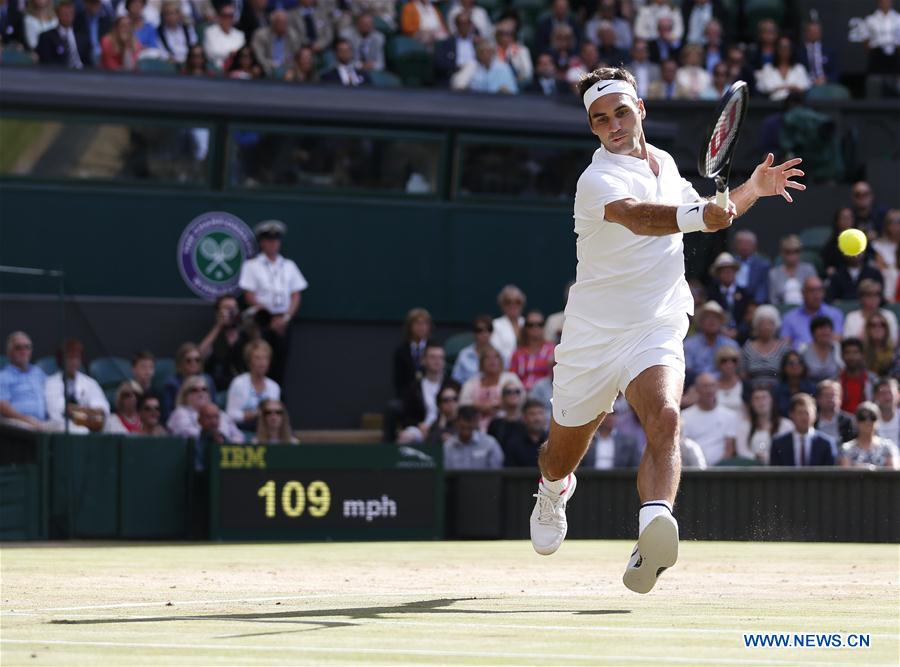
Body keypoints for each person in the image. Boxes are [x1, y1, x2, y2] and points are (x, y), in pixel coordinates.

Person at [530, 65, 804, 594]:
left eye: (621, 112)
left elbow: (707, 211)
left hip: (656, 322)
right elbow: (641, 218)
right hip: (593, 336)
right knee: (560, 455)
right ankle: (553, 488)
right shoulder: (596, 179)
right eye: (600, 118)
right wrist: (702, 216)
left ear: (640, 110)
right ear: (592, 126)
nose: (613, 125)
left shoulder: (667, 164)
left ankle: (653, 525)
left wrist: (751, 189)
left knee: (667, 415)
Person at [238, 220, 308, 386]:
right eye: (269, 240)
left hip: (283, 321)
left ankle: (276, 397)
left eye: (276, 240)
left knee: (280, 364)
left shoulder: (289, 265)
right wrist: (269, 318)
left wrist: (286, 318)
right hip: (262, 321)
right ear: (262, 242)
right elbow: (249, 295)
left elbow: (296, 295)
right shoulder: (251, 265)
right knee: (259, 360)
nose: (273, 244)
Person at [43, 339, 110, 433]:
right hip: (60, 430)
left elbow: (101, 411)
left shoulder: (90, 382)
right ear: (61, 360)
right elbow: (57, 412)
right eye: (69, 358)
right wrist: (88, 414)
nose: (73, 362)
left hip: (90, 428)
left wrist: (75, 411)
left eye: (76, 357)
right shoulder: (51, 382)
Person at [459, 346, 523, 431]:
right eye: (487, 358)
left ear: (501, 361)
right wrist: (480, 407)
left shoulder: (511, 378)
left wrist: (497, 406)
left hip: (505, 425)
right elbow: (463, 403)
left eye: (495, 357)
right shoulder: (471, 382)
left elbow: (521, 398)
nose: (492, 360)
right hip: (475, 427)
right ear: (481, 363)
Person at [680, 373, 737, 465]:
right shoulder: (684, 416)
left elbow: (729, 449)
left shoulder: (729, 415)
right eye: (705, 386)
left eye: (712, 385)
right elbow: (684, 447)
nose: (709, 390)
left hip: (721, 469)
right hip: (694, 468)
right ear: (697, 390)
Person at [167, 374, 243, 441]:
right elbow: (185, 433)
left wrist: (228, 441)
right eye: (194, 390)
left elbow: (239, 436)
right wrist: (211, 436)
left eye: (204, 389)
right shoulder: (180, 413)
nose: (201, 393)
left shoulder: (220, 413)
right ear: (185, 395)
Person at [396, 342, 446, 443]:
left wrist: (437, 427)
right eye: (432, 357)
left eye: (440, 357)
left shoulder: (452, 385)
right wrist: (419, 425)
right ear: (423, 361)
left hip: (445, 428)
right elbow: (406, 418)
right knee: (405, 437)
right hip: (421, 429)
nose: (437, 361)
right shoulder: (414, 387)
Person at [198, 294, 249, 393]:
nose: (231, 312)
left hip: (242, 388)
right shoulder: (213, 335)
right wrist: (219, 325)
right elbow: (200, 356)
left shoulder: (245, 335)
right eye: (227, 308)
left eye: (233, 308)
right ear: (218, 312)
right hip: (217, 388)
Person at [226, 340, 280, 430]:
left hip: (267, 431)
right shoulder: (238, 383)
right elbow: (230, 415)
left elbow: (276, 414)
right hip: (242, 430)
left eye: (265, 358)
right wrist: (253, 415)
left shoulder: (274, 387)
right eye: (257, 358)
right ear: (249, 362)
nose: (262, 362)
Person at [769, 393, 835, 466]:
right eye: (800, 413)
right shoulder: (779, 444)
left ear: (815, 415)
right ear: (791, 414)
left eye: (807, 413)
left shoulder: (826, 444)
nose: (804, 417)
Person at [0, 331, 48, 429]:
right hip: (17, 423)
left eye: (27, 347)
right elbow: (3, 407)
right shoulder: (3, 376)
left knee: (69, 428)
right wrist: (26, 419)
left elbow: (53, 391)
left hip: (44, 422)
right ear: (9, 353)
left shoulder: (38, 372)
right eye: (18, 348)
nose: (23, 351)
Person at [781, 276, 844, 349]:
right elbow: (785, 345)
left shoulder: (835, 314)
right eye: (812, 290)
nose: (816, 294)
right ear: (803, 293)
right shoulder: (789, 318)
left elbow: (836, 342)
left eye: (820, 290)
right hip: (799, 355)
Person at [735, 385, 792, 463]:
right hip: (752, 467)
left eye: (764, 397)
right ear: (751, 403)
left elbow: (788, 450)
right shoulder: (744, 426)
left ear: (771, 400)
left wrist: (770, 457)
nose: (761, 402)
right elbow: (742, 451)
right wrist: (755, 457)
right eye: (756, 398)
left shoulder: (786, 425)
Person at [161, 342, 217, 420]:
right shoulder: (171, 384)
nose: (193, 363)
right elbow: (167, 414)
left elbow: (213, 405)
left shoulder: (207, 380)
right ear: (180, 363)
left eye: (197, 360)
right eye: (188, 360)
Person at [683, 301, 738, 377]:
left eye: (716, 317)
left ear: (721, 322)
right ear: (701, 322)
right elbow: (687, 372)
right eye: (707, 317)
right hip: (697, 383)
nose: (712, 320)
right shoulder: (689, 345)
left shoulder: (731, 345)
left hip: (725, 382)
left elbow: (737, 372)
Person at [741, 304, 789, 388]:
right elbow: (743, 374)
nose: (766, 327)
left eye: (770, 323)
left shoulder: (784, 348)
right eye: (762, 324)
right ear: (756, 326)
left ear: (776, 326)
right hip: (753, 391)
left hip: (778, 391)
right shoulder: (747, 348)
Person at [839, 401, 898, 469]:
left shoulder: (888, 447)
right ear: (856, 421)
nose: (868, 421)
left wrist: (873, 470)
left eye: (872, 417)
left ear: (878, 420)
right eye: (862, 418)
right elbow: (846, 472)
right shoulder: (847, 449)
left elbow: (894, 471)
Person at [442, 405, 504, 469]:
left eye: (469, 428)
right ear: (456, 423)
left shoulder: (490, 444)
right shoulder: (448, 447)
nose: (466, 432)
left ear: (476, 423)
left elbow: (497, 470)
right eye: (463, 427)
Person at [705, 251, 751, 333]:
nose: (727, 273)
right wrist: (722, 330)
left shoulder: (744, 293)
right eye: (724, 271)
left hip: (740, 335)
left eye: (730, 270)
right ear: (718, 274)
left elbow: (748, 317)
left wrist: (737, 331)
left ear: (735, 272)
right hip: (718, 333)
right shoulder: (711, 294)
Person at [508, 311, 555, 391]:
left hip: (545, 393)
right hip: (522, 393)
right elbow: (512, 378)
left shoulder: (552, 350)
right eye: (530, 325)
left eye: (539, 324)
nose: (535, 328)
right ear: (525, 328)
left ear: (544, 327)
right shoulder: (518, 353)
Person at [754, 36, 810, 101]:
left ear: (791, 50)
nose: (784, 50)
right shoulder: (767, 68)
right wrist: (791, 87)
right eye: (781, 47)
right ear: (776, 49)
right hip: (771, 104)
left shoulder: (799, 68)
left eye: (787, 47)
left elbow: (803, 88)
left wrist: (778, 88)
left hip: (795, 104)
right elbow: (765, 88)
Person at [451, 39, 518, 94]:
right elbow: (458, 86)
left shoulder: (503, 67)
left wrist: (505, 91)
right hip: (476, 102)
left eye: (488, 51)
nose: (485, 54)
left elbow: (513, 91)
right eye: (482, 51)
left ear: (493, 52)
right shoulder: (471, 66)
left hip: (498, 102)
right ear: (477, 53)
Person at [35, 0, 88, 68]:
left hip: (82, 72)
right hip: (58, 73)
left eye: (70, 13)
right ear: (57, 14)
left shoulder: (82, 37)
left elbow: (89, 62)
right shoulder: (46, 37)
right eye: (65, 14)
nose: (68, 16)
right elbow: (47, 63)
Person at [768, 234, 818, 306]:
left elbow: (814, 291)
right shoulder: (774, 273)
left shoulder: (809, 269)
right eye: (788, 252)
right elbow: (773, 299)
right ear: (782, 253)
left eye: (796, 251)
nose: (792, 255)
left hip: (807, 307)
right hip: (782, 309)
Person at [496, 399, 547, 467]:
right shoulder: (513, 444)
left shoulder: (552, 441)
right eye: (532, 414)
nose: (537, 418)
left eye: (540, 413)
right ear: (524, 418)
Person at [392, 307, 432, 396]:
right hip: (408, 395)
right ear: (409, 326)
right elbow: (398, 380)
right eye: (417, 323)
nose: (421, 327)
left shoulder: (434, 347)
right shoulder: (401, 350)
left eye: (424, 323)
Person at [250, 9, 299, 77]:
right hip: (265, 67)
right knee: (256, 70)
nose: (284, 25)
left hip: (286, 68)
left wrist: (288, 68)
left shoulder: (293, 36)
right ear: (273, 23)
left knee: (291, 74)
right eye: (280, 22)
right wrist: (273, 65)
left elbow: (295, 56)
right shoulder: (260, 35)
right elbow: (259, 57)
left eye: (285, 22)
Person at [434, 11, 477, 84]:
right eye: (461, 23)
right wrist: (456, 67)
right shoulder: (447, 43)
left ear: (470, 25)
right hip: (456, 74)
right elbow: (439, 64)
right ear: (456, 25)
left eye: (466, 23)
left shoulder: (476, 42)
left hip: (476, 74)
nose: (464, 26)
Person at [731, 229, 770, 305]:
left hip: (754, 302)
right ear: (735, 245)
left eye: (748, 243)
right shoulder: (730, 261)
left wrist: (755, 304)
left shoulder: (763, 264)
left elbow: (763, 287)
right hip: (733, 299)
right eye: (740, 242)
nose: (744, 246)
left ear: (755, 246)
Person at [799, 316, 843, 383]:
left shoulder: (837, 348)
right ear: (813, 333)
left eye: (827, 328)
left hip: (834, 386)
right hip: (809, 387)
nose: (824, 332)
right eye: (821, 328)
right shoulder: (803, 350)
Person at [839, 338, 876, 414]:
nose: (851, 356)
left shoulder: (873, 380)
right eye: (847, 352)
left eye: (855, 352)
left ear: (862, 355)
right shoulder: (836, 381)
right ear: (842, 356)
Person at [773, 350, 816, 417]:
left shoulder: (811, 388)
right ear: (784, 367)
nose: (795, 365)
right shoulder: (777, 390)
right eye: (791, 363)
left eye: (799, 362)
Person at [489, 284, 524, 366]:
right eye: (508, 302)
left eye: (517, 302)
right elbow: (495, 351)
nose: (513, 305)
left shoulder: (528, 324)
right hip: (504, 368)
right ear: (502, 304)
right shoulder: (495, 325)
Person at [863, 0, 900, 76]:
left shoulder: (898, 18)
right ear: (879, 3)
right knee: (875, 78)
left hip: (895, 53)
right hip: (876, 53)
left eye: (887, 1)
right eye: (883, 1)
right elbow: (866, 38)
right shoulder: (870, 19)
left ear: (891, 2)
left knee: (895, 78)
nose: (885, 3)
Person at [814, 379, 856, 446]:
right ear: (818, 399)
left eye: (834, 395)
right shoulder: (812, 421)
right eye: (826, 395)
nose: (831, 399)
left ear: (840, 399)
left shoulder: (850, 421)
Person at [203, 2, 244, 69]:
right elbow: (210, 53)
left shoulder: (240, 34)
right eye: (225, 16)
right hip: (216, 69)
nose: (228, 19)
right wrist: (231, 53)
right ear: (219, 16)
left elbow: (241, 54)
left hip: (237, 68)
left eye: (230, 16)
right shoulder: (210, 32)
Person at [798, 19, 837, 86]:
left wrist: (826, 79)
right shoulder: (799, 51)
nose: (814, 33)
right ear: (806, 33)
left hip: (826, 84)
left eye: (816, 31)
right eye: (811, 31)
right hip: (806, 84)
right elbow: (797, 72)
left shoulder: (829, 51)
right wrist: (810, 81)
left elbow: (835, 72)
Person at [156, 0, 196, 65]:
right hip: (170, 64)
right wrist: (169, 59)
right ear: (163, 16)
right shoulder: (159, 32)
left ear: (179, 14)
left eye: (174, 13)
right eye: (168, 14)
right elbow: (161, 52)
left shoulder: (188, 29)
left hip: (189, 63)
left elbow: (194, 46)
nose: (172, 17)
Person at [872, 209, 899, 301]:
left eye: (898, 221)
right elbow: (881, 266)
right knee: (891, 273)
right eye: (891, 222)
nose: (895, 225)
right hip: (888, 282)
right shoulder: (879, 245)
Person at [713, 346, 744, 418]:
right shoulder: (712, 386)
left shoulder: (744, 385)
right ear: (718, 364)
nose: (729, 364)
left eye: (734, 360)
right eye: (724, 361)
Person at [873, 378, 899, 447]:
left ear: (898, 395)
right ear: (876, 396)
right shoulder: (867, 420)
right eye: (883, 393)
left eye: (890, 392)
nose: (887, 397)